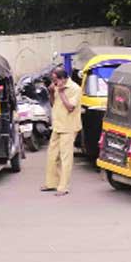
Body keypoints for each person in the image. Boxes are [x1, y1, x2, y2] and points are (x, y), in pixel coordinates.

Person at [41, 66, 81, 197]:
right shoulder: (57, 87)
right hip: (57, 125)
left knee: (65, 158)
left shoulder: (75, 88)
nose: (54, 82)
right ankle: (51, 183)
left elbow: (70, 107)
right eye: (53, 80)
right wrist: (52, 92)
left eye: (55, 80)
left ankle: (63, 187)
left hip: (69, 127)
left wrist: (62, 92)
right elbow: (53, 104)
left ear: (63, 79)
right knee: (52, 156)